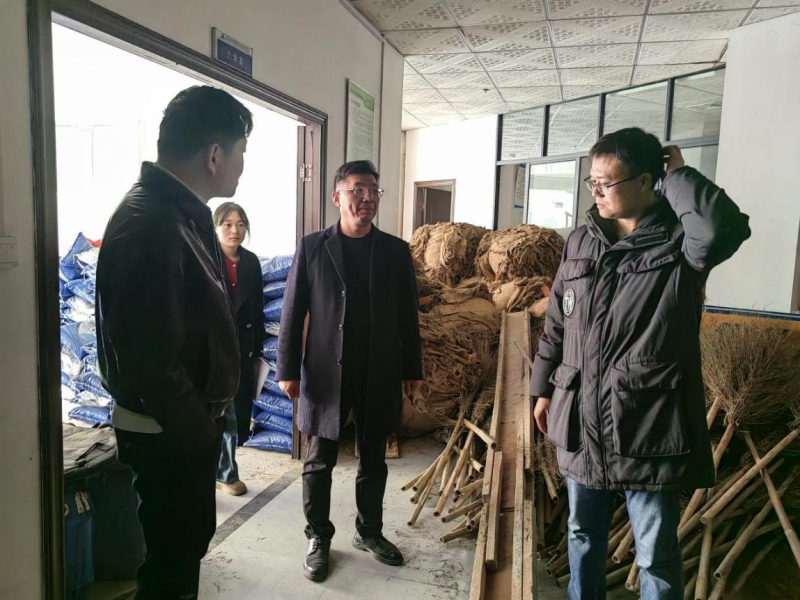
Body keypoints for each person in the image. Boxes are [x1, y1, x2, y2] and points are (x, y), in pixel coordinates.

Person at [530, 128, 750, 600]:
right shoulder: (581, 241)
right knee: (582, 535)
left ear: (647, 181)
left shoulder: (680, 242)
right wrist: (542, 389)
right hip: (581, 416)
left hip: (646, 422)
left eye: (605, 182)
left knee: (654, 555)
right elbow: (557, 324)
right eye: (591, 182)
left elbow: (723, 228)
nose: (595, 192)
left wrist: (680, 176)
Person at [95, 86, 252, 600]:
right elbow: (149, 363)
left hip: (180, 425)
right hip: (167, 429)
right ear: (215, 155)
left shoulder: (181, 213)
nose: (242, 166)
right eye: (241, 153)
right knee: (171, 560)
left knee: (183, 547)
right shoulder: (150, 223)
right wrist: (200, 433)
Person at [276, 160, 423, 583]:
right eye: (358, 190)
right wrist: (287, 368)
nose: (367, 198)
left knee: (373, 459)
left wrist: (412, 368)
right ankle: (318, 536)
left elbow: (407, 316)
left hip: (379, 370)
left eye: (374, 190)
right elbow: (293, 312)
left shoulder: (395, 250)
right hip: (326, 372)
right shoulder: (312, 247)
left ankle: (369, 531)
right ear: (337, 196)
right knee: (318, 461)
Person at [213, 202, 266, 496]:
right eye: (228, 224)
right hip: (212, 349)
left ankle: (223, 471)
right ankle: (226, 474)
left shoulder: (251, 262)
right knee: (223, 413)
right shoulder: (204, 258)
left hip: (242, 349)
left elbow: (257, 308)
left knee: (236, 412)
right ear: (215, 227)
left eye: (241, 224)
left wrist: (257, 349)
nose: (235, 230)